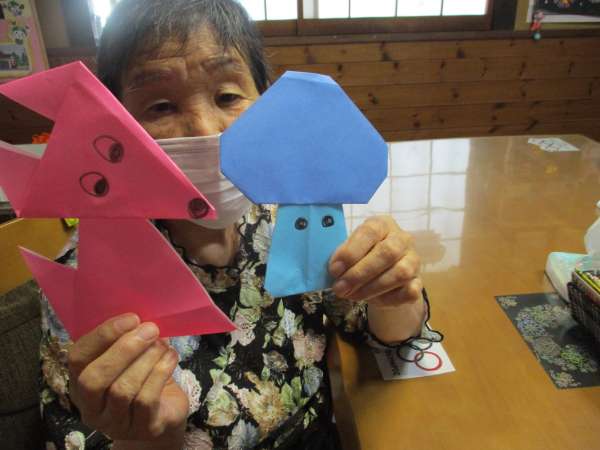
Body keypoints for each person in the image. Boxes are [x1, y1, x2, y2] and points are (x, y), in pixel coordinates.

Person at [39, 1, 436, 449]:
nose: (205, 129)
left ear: (268, 103)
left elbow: (377, 326)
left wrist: (393, 290)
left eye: (228, 96)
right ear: (116, 123)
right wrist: (149, 438)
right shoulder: (86, 277)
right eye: (161, 106)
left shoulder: (288, 214)